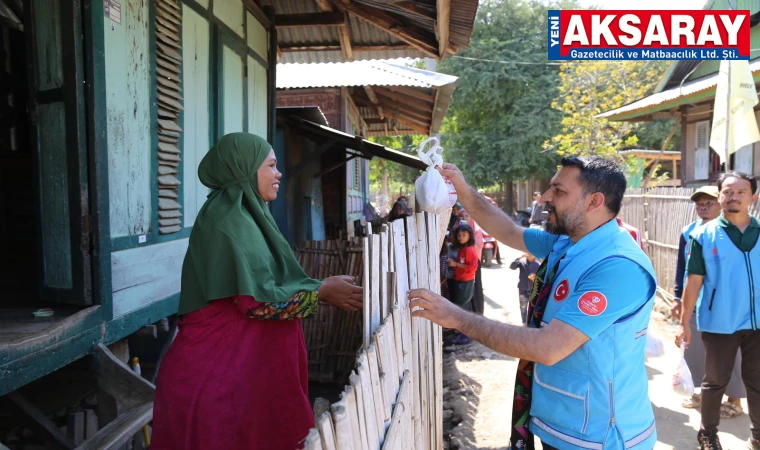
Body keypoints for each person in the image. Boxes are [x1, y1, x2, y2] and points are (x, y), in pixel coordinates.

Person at [408, 156, 658, 450]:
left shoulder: (618, 266)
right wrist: (463, 190)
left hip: (598, 435)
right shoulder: (569, 241)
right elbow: (508, 231)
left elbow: (547, 347)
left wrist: (459, 318)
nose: (546, 199)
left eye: (559, 191)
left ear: (594, 202)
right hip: (562, 420)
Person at [151, 133, 363, 450]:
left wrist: (321, 287)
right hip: (215, 380)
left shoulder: (248, 217)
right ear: (245, 169)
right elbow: (256, 305)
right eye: (272, 165)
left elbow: (268, 286)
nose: (279, 174)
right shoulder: (228, 221)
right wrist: (320, 294)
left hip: (236, 376)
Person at [677, 171, 760, 450]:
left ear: (753, 197)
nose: (733, 196)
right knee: (714, 383)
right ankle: (708, 436)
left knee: (757, 382)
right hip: (719, 321)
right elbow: (694, 280)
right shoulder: (703, 235)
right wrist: (684, 322)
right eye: (727, 191)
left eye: (740, 192)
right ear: (720, 196)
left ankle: (758, 436)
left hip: (758, 322)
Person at [671, 185, 746, 420]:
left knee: (731, 350)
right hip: (695, 299)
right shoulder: (689, 232)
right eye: (699, 203)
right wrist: (677, 297)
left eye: (709, 202)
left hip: (726, 303)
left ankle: (735, 399)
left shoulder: (734, 232)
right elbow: (682, 267)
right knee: (696, 348)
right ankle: (700, 393)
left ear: (721, 204)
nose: (702, 207)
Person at [447, 223, 479, 345]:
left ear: (470, 236)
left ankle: (465, 336)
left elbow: (472, 268)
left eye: (464, 235)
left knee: (463, 308)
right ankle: (462, 332)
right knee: (461, 306)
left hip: (466, 282)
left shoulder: (469, 250)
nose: (460, 237)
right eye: (459, 235)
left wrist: (455, 265)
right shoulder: (463, 249)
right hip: (461, 280)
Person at [458, 209, 485, 315]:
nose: (464, 219)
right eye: (461, 217)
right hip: (459, 266)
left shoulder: (476, 231)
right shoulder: (456, 230)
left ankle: (477, 312)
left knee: (474, 287)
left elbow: (479, 245)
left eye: (466, 216)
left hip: (473, 264)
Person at [509, 253, 539, 325]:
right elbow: (512, 266)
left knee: (533, 307)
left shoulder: (537, 265)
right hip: (522, 289)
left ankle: (531, 322)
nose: (529, 254)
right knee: (523, 307)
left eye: (531, 253)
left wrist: (534, 278)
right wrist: (519, 257)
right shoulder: (521, 262)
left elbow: (541, 278)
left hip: (533, 290)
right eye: (528, 252)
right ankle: (524, 322)